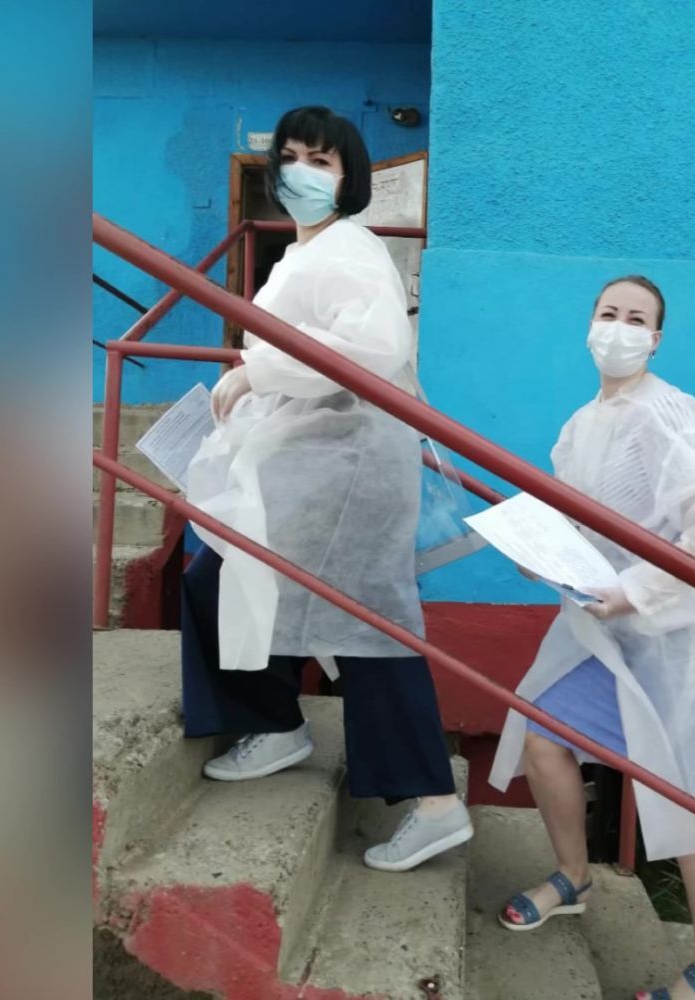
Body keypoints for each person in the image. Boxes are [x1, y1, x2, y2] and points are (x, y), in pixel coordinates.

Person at [181, 106, 473, 872]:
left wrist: (257, 372)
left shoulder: (349, 250)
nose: (302, 172)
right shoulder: (302, 254)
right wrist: (256, 377)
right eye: (291, 157)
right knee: (244, 579)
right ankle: (277, 724)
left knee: (361, 622)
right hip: (314, 458)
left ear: (350, 180)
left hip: (346, 463)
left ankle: (431, 801)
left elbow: (372, 348)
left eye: (322, 160)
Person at [488, 276, 695, 999]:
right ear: (589, 326)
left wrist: (634, 592)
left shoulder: (667, 413)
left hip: (668, 641)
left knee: (688, 803)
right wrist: (538, 550)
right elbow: (577, 519)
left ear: (655, 340)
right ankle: (574, 876)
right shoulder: (582, 424)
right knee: (543, 735)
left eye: (637, 319)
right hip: (600, 636)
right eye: (609, 313)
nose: (619, 328)